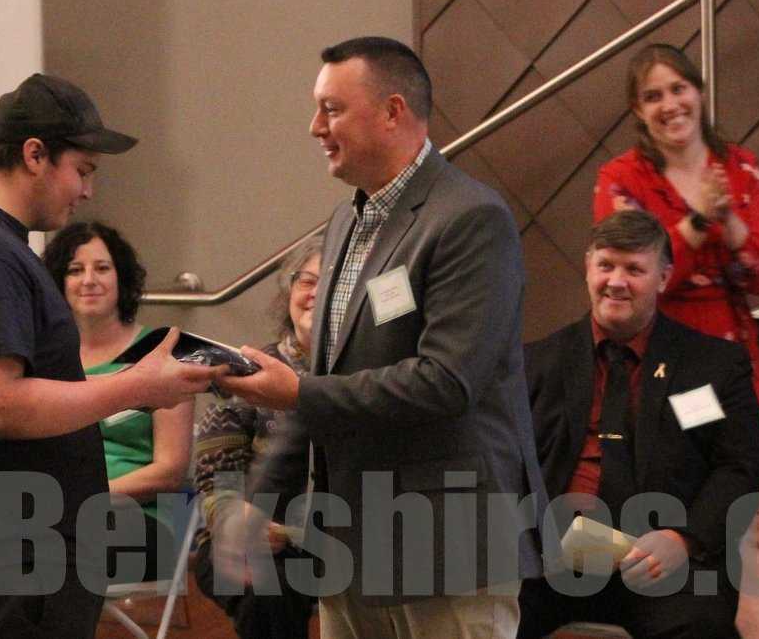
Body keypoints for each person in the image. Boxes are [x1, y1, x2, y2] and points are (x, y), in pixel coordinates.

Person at [217, 36, 545, 639]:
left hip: (447, 549)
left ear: (393, 111)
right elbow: (325, 385)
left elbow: (448, 381)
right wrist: (258, 503)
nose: (315, 127)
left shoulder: (471, 217)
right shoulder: (347, 219)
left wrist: (297, 392)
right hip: (351, 551)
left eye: (332, 109)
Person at [0, 73, 223, 639]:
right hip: (13, 553)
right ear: (35, 155)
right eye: (82, 170)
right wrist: (138, 386)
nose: (87, 191)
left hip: (27, 547)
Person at [593, 43, 759, 637]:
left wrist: (729, 223)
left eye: (678, 89)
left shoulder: (741, 167)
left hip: (730, 346)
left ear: (699, 93)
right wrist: (697, 221)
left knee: (756, 516)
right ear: (638, 109)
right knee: (677, 498)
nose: (670, 104)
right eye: (652, 96)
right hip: (660, 350)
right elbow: (631, 278)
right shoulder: (622, 177)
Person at [519, 210, 759, 639]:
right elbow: (509, 460)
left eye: (634, 269)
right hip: (551, 562)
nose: (616, 281)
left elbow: (741, 467)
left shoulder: (712, 365)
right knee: (480, 608)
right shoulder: (537, 362)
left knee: (699, 626)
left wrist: (684, 540)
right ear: (588, 268)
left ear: (664, 277)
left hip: (667, 561)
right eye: (606, 265)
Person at [42, 221, 192, 583]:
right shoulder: (46, 361)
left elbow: (170, 472)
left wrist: (87, 500)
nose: (88, 280)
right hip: (59, 514)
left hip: (141, 520)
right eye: (75, 270)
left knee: (51, 550)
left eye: (102, 268)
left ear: (121, 277)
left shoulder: (162, 355)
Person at [190, 236, 321, 639]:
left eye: (330, 282)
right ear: (288, 294)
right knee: (265, 587)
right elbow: (216, 475)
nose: (315, 293)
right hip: (251, 537)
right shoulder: (250, 372)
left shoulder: (371, 378)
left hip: (346, 535)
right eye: (306, 281)